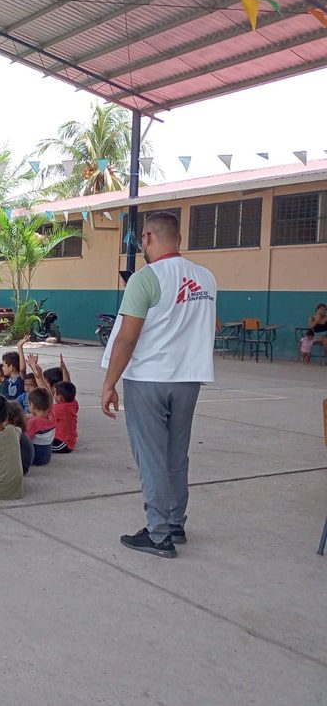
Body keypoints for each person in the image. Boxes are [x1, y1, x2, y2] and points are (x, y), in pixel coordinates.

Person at [101, 210, 217, 559]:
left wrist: (109, 383)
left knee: (151, 456)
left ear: (147, 238)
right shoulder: (207, 278)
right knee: (175, 454)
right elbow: (211, 324)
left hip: (149, 379)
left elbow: (126, 339)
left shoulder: (145, 278)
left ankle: (158, 534)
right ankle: (174, 522)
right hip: (189, 379)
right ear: (178, 238)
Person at [25, 388, 56, 467]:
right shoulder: (52, 415)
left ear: (32, 405)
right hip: (47, 455)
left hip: (36, 457)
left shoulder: (33, 423)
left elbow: (26, 441)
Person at [51, 381, 79, 454]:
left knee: (41, 446)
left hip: (62, 443)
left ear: (59, 397)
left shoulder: (58, 409)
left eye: (54, 393)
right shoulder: (73, 403)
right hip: (69, 440)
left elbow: (43, 414)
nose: (53, 394)